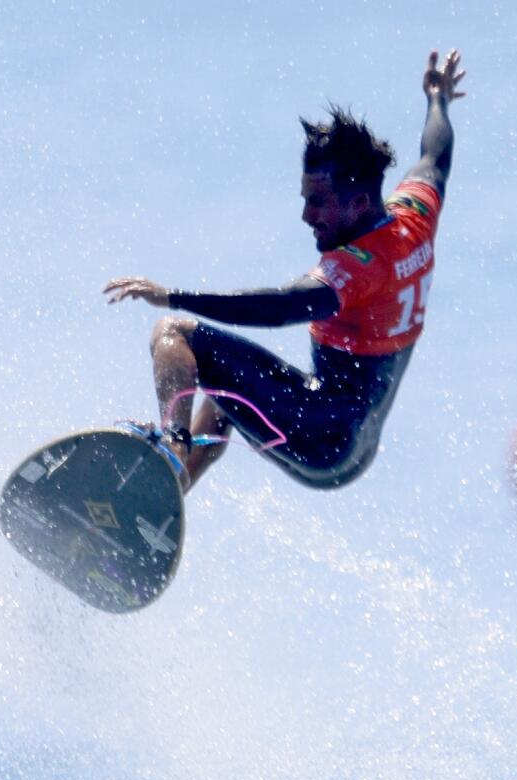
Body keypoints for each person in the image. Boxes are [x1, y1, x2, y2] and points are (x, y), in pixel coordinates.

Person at [103, 49, 465, 493]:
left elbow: (282, 306)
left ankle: (171, 451)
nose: (307, 216)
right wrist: (437, 100)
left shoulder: (358, 267)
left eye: (318, 203)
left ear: (358, 203)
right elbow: (434, 156)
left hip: (320, 439)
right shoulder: (414, 215)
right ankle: (173, 491)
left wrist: (173, 296)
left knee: (175, 334)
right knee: (222, 387)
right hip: (353, 451)